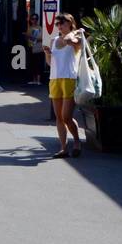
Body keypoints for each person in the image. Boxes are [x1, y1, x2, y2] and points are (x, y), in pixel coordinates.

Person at [45, 12, 83, 158]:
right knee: (59, 117)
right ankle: (63, 147)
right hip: (54, 79)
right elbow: (50, 63)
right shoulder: (54, 40)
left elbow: (79, 46)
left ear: (70, 23)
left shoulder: (77, 36)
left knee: (66, 116)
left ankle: (77, 141)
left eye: (62, 23)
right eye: (58, 24)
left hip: (69, 78)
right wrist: (48, 54)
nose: (59, 26)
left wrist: (71, 39)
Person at [24, 14, 44, 85]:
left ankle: (38, 80)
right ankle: (34, 79)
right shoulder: (29, 28)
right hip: (31, 47)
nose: (34, 20)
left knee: (38, 64)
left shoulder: (40, 28)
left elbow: (41, 38)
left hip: (38, 48)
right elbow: (27, 38)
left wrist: (32, 38)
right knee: (32, 64)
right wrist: (27, 36)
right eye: (32, 19)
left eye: (35, 19)